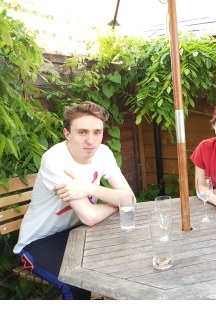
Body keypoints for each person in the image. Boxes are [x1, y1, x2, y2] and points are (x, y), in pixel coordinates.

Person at [13, 101, 135, 300]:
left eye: (97, 132)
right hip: (39, 241)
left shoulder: (103, 153)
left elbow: (129, 198)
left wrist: (90, 188)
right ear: (67, 134)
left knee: (126, 257)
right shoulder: (55, 160)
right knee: (76, 281)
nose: (91, 140)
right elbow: (90, 217)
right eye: (82, 132)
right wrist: (116, 201)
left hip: (78, 234)